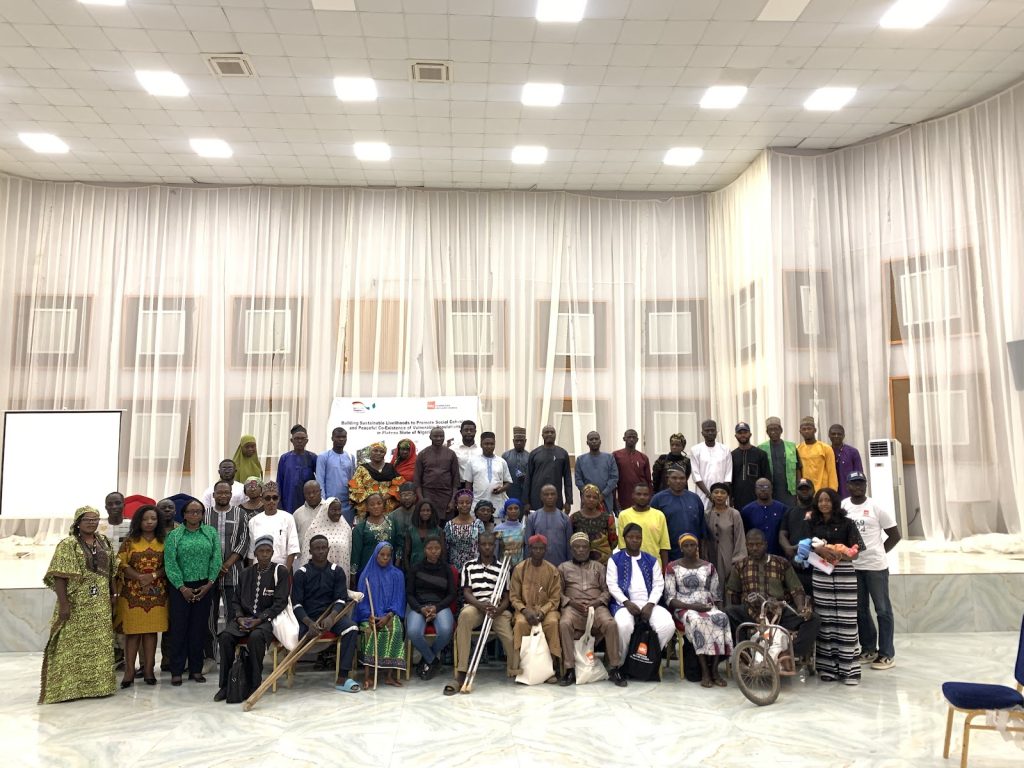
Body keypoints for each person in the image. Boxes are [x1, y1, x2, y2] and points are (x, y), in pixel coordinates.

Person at [38, 506, 116, 704]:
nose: (92, 522)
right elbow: (59, 576)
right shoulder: (68, 544)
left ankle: (99, 686)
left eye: (95, 519)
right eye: (88, 519)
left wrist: (113, 593)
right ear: (78, 522)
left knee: (98, 645)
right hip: (77, 604)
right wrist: (64, 604)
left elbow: (113, 570)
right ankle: (67, 689)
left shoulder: (104, 541)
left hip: (99, 606)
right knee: (71, 645)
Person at [724, 529, 819, 664]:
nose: (755, 548)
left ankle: (789, 653)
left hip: (778, 613)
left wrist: (800, 608)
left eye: (758, 544)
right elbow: (733, 593)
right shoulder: (740, 566)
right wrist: (741, 606)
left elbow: (796, 589)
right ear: (746, 545)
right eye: (751, 545)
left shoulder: (781, 563)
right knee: (728, 613)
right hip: (752, 612)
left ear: (765, 544)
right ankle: (744, 653)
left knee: (813, 619)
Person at [213, 536, 290, 702]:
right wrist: (240, 618)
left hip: (267, 620)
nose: (264, 554)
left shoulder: (280, 571)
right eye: (261, 551)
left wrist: (259, 620)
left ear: (272, 552)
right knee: (225, 637)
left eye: (268, 551)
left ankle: (255, 684)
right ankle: (225, 686)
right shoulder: (245, 573)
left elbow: (280, 602)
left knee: (255, 638)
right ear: (255, 553)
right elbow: (236, 601)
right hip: (244, 618)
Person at [843, 471, 900, 670]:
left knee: (883, 610)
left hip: (875, 567)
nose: (857, 486)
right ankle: (868, 649)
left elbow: (895, 535)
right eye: (853, 483)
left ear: (866, 485)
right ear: (848, 485)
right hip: (854, 566)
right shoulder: (843, 506)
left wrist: (880, 552)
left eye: (861, 483)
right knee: (860, 610)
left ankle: (886, 654)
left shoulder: (876, 507)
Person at [450, 531, 519, 693]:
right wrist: (481, 605)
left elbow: (507, 597)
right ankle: (461, 671)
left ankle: (514, 669)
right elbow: (466, 592)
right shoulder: (469, 566)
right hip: (476, 607)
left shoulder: (503, 567)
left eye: (490, 545)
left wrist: (498, 609)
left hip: (497, 609)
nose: (487, 547)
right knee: (465, 616)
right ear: (478, 546)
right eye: (483, 544)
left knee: (510, 639)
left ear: (494, 547)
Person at [809, 488, 866, 684]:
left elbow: (857, 552)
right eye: (820, 500)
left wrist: (840, 554)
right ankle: (829, 668)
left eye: (827, 500)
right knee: (826, 621)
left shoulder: (847, 523)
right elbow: (805, 549)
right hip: (821, 574)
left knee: (847, 621)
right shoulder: (812, 523)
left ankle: (850, 670)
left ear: (834, 502)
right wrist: (821, 550)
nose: (824, 503)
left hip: (844, 574)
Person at [290, 535, 361, 693]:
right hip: (308, 619)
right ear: (310, 551)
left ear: (328, 549)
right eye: (317, 548)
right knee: (299, 636)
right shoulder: (301, 573)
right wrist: (308, 623)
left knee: (352, 629)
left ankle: (342, 677)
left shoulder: (337, 571)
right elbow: (296, 604)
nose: (321, 551)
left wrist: (332, 617)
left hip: (332, 616)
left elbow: (341, 599)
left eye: (324, 548)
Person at [164, 498, 222, 686]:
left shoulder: (210, 533)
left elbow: (216, 559)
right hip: (180, 588)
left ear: (203, 514)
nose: (195, 515)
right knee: (179, 629)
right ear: (184, 514)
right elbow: (170, 563)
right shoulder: (174, 535)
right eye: (191, 511)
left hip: (204, 587)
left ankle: (196, 669)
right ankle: (177, 670)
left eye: (198, 511)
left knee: (199, 629)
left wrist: (209, 584)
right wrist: (182, 587)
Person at [665, 533, 732, 688]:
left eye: (692, 545)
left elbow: (716, 595)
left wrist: (716, 609)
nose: (690, 548)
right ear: (681, 548)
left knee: (721, 618)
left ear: (697, 547)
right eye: (686, 545)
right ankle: (705, 672)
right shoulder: (672, 567)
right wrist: (693, 607)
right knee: (697, 620)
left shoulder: (709, 567)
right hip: (684, 607)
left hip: (707, 605)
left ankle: (715, 669)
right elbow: (670, 598)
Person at [558, 532, 624, 686]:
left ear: (589, 549)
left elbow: (607, 591)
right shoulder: (563, 567)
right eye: (577, 547)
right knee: (564, 623)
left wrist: (597, 602)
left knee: (611, 624)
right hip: (573, 608)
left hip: (596, 606)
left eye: (584, 547)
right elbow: (558, 593)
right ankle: (569, 669)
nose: (581, 550)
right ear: (572, 549)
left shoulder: (599, 567)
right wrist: (571, 602)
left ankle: (614, 668)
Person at [116, 504, 168, 687]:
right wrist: (139, 577)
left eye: (153, 519)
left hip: (156, 595)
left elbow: (169, 564)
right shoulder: (130, 541)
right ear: (139, 521)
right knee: (132, 633)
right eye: (145, 519)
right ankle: (129, 672)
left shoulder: (165, 540)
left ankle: (149, 670)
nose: (149, 522)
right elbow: (120, 563)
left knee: (151, 632)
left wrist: (152, 576)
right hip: (132, 595)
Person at [606, 523, 676, 658]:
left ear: (642, 539)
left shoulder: (651, 560)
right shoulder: (615, 560)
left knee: (667, 625)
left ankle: (648, 657)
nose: (634, 540)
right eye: (630, 537)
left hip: (650, 603)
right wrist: (627, 602)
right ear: (624, 538)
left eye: (638, 537)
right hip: (623, 605)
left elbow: (658, 584)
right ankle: (626, 660)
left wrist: (650, 604)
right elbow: (612, 585)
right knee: (623, 626)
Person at [203, 480, 251, 663]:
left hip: (234, 573)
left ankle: (231, 654)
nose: (223, 495)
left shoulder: (240, 513)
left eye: (226, 492)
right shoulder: (205, 515)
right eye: (219, 493)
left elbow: (244, 541)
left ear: (231, 494)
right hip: (209, 576)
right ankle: (210, 656)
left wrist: (227, 564)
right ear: (213, 495)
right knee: (210, 616)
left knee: (234, 614)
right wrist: (215, 567)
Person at [510, 535, 563, 677]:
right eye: (535, 548)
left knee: (552, 623)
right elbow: (514, 597)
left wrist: (543, 611)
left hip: (547, 610)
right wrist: (525, 611)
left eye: (541, 548)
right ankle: (521, 669)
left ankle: (551, 669)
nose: (538, 551)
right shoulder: (519, 569)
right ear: (529, 549)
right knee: (520, 623)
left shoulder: (552, 570)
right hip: (524, 609)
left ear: (545, 550)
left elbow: (555, 598)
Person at [355, 542, 406, 689]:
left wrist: (388, 616)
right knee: (370, 632)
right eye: (382, 555)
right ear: (375, 555)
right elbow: (361, 600)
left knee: (396, 630)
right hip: (369, 615)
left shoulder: (398, 575)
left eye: (388, 555)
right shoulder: (366, 575)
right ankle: (367, 676)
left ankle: (390, 676)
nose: (385, 558)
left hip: (390, 615)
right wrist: (369, 616)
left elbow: (398, 600)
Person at [405, 535, 456, 679]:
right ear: (424, 550)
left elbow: (451, 594)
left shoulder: (447, 569)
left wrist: (437, 608)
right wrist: (421, 609)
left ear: (441, 550)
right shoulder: (415, 569)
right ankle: (433, 660)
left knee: (446, 630)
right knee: (413, 631)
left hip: (440, 607)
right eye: (430, 548)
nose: (434, 551)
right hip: (419, 607)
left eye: (437, 548)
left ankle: (427, 658)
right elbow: (409, 594)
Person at [651, 465, 706, 562]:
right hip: (669, 553)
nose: (678, 481)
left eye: (682, 478)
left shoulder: (694, 498)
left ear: (686, 480)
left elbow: (701, 528)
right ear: (668, 480)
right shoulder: (658, 499)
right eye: (674, 478)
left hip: (692, 552)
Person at [247, 481, 300, 570]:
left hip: (281, 568)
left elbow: (292, 548)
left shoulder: (288, 518)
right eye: (267, 498)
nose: (271, 501)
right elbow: (251, 552)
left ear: (278, 499)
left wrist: (285, 572)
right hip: (259, 570)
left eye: (274, 498)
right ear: (262, 500)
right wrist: (252, 574)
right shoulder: (253, 521)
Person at [779, 478, 816, 596]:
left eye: (807, 489)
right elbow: (782, 534)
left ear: (813, 491)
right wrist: (788, 548)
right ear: (797, 492)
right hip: (795, 565)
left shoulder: (820, 511)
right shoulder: (790, 512)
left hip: (817, 565)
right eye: (801, 489)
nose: (804, 491)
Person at [524, 424, 573, 514]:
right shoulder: (534, 453)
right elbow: (528, 479)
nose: (549, 434)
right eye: (547, 432)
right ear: (542, 435)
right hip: (536, 498)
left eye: (552, 432)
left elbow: (568, 479)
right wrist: (526, 501)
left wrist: (568, 501)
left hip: (556, 498)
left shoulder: (562, 453)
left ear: (555, 435)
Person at [616, 483, 669, 565]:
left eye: (645, 494)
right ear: (633, 495)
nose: (642, 497)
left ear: (650, 496)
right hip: (632, 565)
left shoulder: (659, 515)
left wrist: (665, 571)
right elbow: (622, 546)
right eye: (638, 494)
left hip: (654, 565)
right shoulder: (624, 515)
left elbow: (664, 546)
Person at [703, 481, 745, 584]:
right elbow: (703, 539)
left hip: (729, 556)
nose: (719, 495)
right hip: (711, 556)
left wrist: (737, 560)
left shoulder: (734, 514)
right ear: (711, 495)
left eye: (723, 493)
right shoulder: (706, 514)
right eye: (716, 492)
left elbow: (740, 538)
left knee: (728, 586)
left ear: (727, 496)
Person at [414, 428, 461, 519]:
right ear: (430, 437)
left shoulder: (451, 454)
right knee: (429, 525)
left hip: (446, 496)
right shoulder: (422, 454)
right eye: (435, 436)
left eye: (441, 436)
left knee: (446, 527)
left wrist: (452, 501)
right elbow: (417, 481)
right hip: (428, 494)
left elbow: (455, 480)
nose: (439, 438)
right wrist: (422, 500)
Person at [349, 441, 404, 517]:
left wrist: (387, 496)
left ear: (384, 454)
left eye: (381, 451)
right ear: (370, 452)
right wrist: (370, 500)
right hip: (367, 506)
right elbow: (355, 485)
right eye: (375, 450)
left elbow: (399, 483)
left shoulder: (390, 467)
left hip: (387, 506)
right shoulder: (362, 468)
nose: (378, 453)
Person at [301, 497, 353, 577]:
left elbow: (349, 552)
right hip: (317, 574)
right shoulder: (314, 529)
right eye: (334, 510)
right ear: (326, 510)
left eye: (339, 509)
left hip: (341, 573)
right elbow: (306, 555)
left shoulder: (346, 528)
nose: (337, 513)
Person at [351, 493, 398, 580]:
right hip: (368, 572)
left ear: (383, 505)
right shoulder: (360, 528)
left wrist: (397, 563)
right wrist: (353, 574)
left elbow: (397, 543)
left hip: (388, 571)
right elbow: (356, 553)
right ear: (367, 508)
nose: (376, 506)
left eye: (379, 503)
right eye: (372, 504)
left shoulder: (392, 523)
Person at [524, 484, 573, 566]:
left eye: (552, 494)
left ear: (557, 496)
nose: (550, 497)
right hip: (538, 565)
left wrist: (569, 565)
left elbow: (569, 545)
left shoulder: (565, 518)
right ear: (541, 497)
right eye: (546, 494)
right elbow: (528, 544)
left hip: (560, 564)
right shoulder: (533, 518)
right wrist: (528, 564)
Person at [758, 417, 801, 508]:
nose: (773, 432)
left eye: (776, 429)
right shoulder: (761, 448)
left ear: (781, 430)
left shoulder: (791, 447)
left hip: (790, 492)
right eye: (770, 430)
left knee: (789, 516)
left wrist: (799, 489)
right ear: (767, 432)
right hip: (770, 492)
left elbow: (798, 469)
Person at [570, 483, 618, 565]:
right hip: (581, 564)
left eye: (595, 497)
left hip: (604, 564)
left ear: (598, 500)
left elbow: (613, 542)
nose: (591, 499)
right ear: (582, 498)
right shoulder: (574, 518)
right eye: (588, 496)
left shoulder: (608, 518)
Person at [316, 427, 357, 524]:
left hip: (348, 505)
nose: (341, 439)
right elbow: (320, 480)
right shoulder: (323, 456)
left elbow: (353, 480)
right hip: (329, 503)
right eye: (338, 437)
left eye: (344, 437)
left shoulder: (350, 457)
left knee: (347, 533)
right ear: (332, 438)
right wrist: (324, 502)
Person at [276, 424, 318, 515]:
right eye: (297, 438)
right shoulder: (284, 458)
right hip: (288, 501)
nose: (300, 441)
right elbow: (279, 482)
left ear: (307, 441)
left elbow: (319, 480)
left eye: (302, 438)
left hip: (308, 501)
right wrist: (279, 503)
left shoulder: (312, 457)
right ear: (292, 440)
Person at [574, 431, 619, 516]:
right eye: (591, 439)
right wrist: (590, 496)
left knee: (606, 525)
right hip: (588, 501)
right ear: (587, 442)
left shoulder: (609, 458)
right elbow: (578, 480)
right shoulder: (580, 460)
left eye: (596, 439)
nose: (594, 441)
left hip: (606, 499)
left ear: (600, 441)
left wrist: (602, 495)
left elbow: (614, 478)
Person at [740, 478, 788, 557]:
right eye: (759, 487)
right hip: (754, 556)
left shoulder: (782, 509)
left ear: (771, 489)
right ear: (755, 490)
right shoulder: (746, 510)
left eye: (766, 487)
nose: (762, 489)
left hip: (778, 555)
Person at [464, 432, 512, 509]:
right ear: (481, 444)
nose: (489, 446)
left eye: (491, 444)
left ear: (495, 444)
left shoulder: (501, 461)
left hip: (497, 503)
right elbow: (468, 484)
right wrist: (469, 500)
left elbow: (508, 482)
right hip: (478, 503)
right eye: (486, 444)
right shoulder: (472, 461)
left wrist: (501, 489)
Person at [690, 420, 732, 506]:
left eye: (712, 430)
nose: (710, 433)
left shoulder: (725, 449)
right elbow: (696, 476)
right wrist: (709, 495)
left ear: (716, 432)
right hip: (702, 495)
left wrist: (720, 494)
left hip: (722, 496)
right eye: (707, 430)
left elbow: (728, 475)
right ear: (702, 433)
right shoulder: (695, 450)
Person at [730, 422, 771, 510]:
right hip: (738, 499)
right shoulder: (731, 455)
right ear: (735, 436)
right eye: (740, 433)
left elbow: (767, 477)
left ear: (750, 434)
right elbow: (730, 479)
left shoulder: (761, 454)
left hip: (757, 498)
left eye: (745, 432)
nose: (742, 435)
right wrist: (730, 497)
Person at [444, 489, 486, 572]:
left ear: (471, 504)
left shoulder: (478, 524)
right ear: (456, 504)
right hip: (454, 569)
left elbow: (483, 547)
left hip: (475, 568)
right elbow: (446, 548)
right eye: (461, 502)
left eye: (467, 502)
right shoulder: (449, 525)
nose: (464, 505)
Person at [613, 428, 653, 511]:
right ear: (624, 439)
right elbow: (613, 478)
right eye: (629, 437)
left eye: (634, 437)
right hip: (623, 494)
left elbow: (648, 480)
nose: (631, 439)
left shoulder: (643, 457)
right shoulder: (616, 455)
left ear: (637, 440)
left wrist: (649, 497)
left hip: (641, 495)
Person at [797, 417, 837, 492]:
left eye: (809, 429)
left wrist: (832, 492)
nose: (807, 431)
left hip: (822, 491)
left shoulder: (825, 448)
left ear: (815, 430)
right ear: (800, 432)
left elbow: (832, 473)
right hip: (805, 492)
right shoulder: (798, 449)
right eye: (804, 429)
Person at [405, 500, 446, 569]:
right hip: (415, 568)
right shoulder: (410, 530)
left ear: (432, 512)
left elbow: (443, 552)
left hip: (434, 568)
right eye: (422, 510)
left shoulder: (438, 530)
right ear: (418, 512)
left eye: (428, 510)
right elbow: (406, 553)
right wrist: (408, 571)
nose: (425, 513)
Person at [829, 424, 865, 500]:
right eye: (833, 434)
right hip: (831, 493)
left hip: (848, 494)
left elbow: (859, 474)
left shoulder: (853, 452)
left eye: (839, 434)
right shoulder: (826, 451)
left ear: (844, 435)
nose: (836, 436)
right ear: (829, 435)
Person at [390, 482, 420, 565]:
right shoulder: (392, 516)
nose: (406, 498)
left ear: (415, 497)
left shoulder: (421, 513)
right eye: (404, 495)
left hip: (416, 552)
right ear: (399, 497)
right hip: (397, 553)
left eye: (409, 494)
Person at [293, 480, 326, 550]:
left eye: (314, 492)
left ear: (320, 491)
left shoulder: (328, 510)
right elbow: (293, 539)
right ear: (304, 494)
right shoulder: (297, 514)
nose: (311, 495)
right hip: (303, 558)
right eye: (308, 493)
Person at [502, 427, 530, 505]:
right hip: (509, 492)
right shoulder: (506, 456)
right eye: (517, 441)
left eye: (521, 441)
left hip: (524, 493)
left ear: (525, 441)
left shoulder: (530, 456)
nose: (519, 443)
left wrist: (525, 477)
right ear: (513, 441)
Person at [494, 498, 525, 565]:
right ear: (506, 511)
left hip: (520, 567)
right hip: (503, 567)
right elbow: (495, 551)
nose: (513, 511)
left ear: (520, 510)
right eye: (510, 509)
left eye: (516, 508)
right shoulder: (498, 529)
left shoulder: (523, 528)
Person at [100, 491, 131, 556]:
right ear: (106, 507)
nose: (114, 507)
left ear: (124, 505)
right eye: (110, 504)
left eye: (118, 503)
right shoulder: (98, 527)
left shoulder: (132, 525)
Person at [453, 420, 483, 485]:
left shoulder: (481, 450)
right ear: (461, 432)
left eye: (471, 430)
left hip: (478, 484)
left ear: (475, 432)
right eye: (466, 430)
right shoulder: (453, 450)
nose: (469, 432)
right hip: (460, 485)